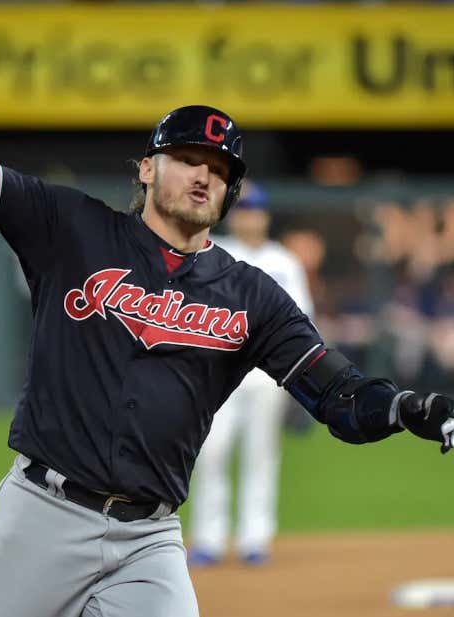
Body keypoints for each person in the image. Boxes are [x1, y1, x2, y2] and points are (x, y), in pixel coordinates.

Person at [0, 20, 454, 617]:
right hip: (42, 517)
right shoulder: (69, 227)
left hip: (150, 540)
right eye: (187, 159)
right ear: (146, 169)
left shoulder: (253, 295)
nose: (203, 175)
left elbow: (336, 395)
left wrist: (402, 408)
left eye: (218, 169)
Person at [189, 180, 314, 567]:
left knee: (261, 454)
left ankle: (254, 539)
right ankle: (208, 538)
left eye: (255, 211)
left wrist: (299, 381)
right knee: (211, 452)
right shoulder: (213, 252)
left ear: (266, 217)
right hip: (219, 371)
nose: (249, 218)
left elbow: (301, 320)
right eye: (243, 211)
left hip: (267, 374)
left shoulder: (284, 261)